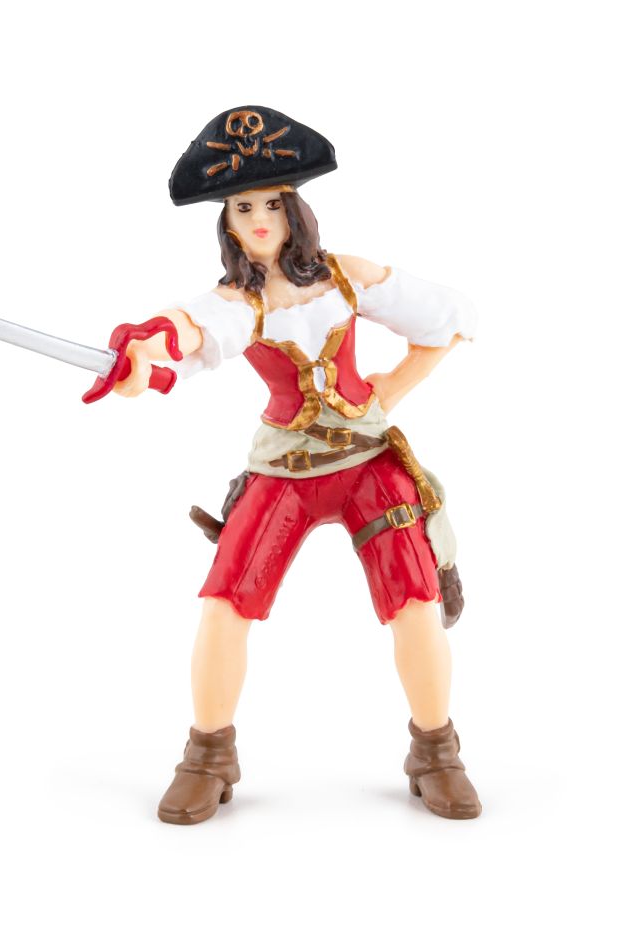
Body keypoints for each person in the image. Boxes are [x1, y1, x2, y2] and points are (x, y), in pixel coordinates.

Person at [111, 107, 480, 824]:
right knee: (225, 602)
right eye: (242, 207)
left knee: (415, 600)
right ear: (227, 222)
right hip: (284, 471)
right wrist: (144, 357)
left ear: (294, 209)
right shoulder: (237, 302)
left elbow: (449, 317)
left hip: (367, 461)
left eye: (270, 205)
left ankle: (436, 750)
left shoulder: (347, 277)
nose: (258, 220)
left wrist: (389, 390)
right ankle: (208, 755)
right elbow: (187, 333)